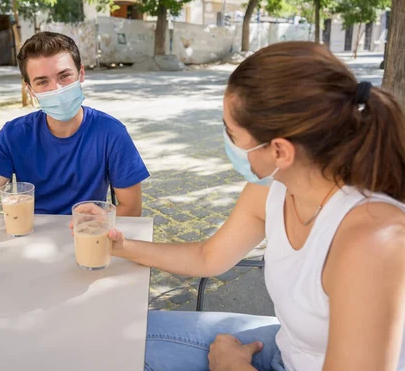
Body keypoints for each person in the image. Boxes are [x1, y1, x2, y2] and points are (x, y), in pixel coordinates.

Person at [105, 42, 405, 370]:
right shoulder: (273, 189)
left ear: (279, 151)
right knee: (111, 339)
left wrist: (232, 366)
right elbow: (208, 256)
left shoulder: (372, 242)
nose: (227, 144)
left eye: (231, 133)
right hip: (283, 347)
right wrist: (121, 246)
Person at [0, 31, 149, 218]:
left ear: (81, 74)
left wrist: (85, 227)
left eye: (64, 76)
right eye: (42, 82)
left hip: (89, 234)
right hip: (29, 236)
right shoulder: (14, 135)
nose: (56, 89)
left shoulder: (111, 133)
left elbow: (131, 209)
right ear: (30, 89)